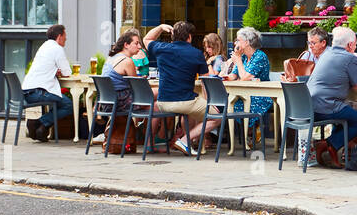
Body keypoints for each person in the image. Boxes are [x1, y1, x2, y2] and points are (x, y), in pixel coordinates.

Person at [143, 21, 213, 155]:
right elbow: (206, 80)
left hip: (164, 102)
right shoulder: (196, 53)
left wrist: (160, 27)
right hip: (186, 102)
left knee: (156, 105)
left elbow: (147, 38)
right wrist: (208, 100)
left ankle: (149, 144)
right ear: (190, 37)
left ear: (172, 36)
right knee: (218, 117)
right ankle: (186, 141)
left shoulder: (161, 48)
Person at [306, 26, 357, 167]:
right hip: (327, 106)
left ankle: (330, 146)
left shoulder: (325, 54)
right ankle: (330, 145)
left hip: (309, 106)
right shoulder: (349, 57)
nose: (355, 46)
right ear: (350, 44)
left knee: (347, 115)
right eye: (355, 43)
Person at [21, 24, 73, 141]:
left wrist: (54, 71)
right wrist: (60, 71)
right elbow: (67, 72)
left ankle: (41, 130)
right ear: (59, 36)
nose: (66, 38)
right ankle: (39, 123)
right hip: (38, 92)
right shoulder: (57, 48)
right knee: (68, 105)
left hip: (28, 91)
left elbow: (45, 67)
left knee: (59, 101)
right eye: (65, 36)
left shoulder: (44, 46)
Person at [97, 29, 143, 145]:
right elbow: (137, 88)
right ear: (126, 45)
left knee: (155, 103)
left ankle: (143, 134)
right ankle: (147, 137)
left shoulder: (111, 58)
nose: (140, 46)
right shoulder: (127, 61)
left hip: (106, 103)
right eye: (136, 43)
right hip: (120, 102)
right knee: (157, 98)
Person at [226, 27, 272, 142]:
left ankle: (252, 131)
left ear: (246, 43)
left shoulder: (260, 56)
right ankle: (251, 132)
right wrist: (223, 75)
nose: (235, 43)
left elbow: (245, 77)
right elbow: (234, 75)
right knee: (232, 103)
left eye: (238, 40)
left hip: (262, 95)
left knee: (242, 104)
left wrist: (238, 60)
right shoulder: (243, 57)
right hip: (245, 94)